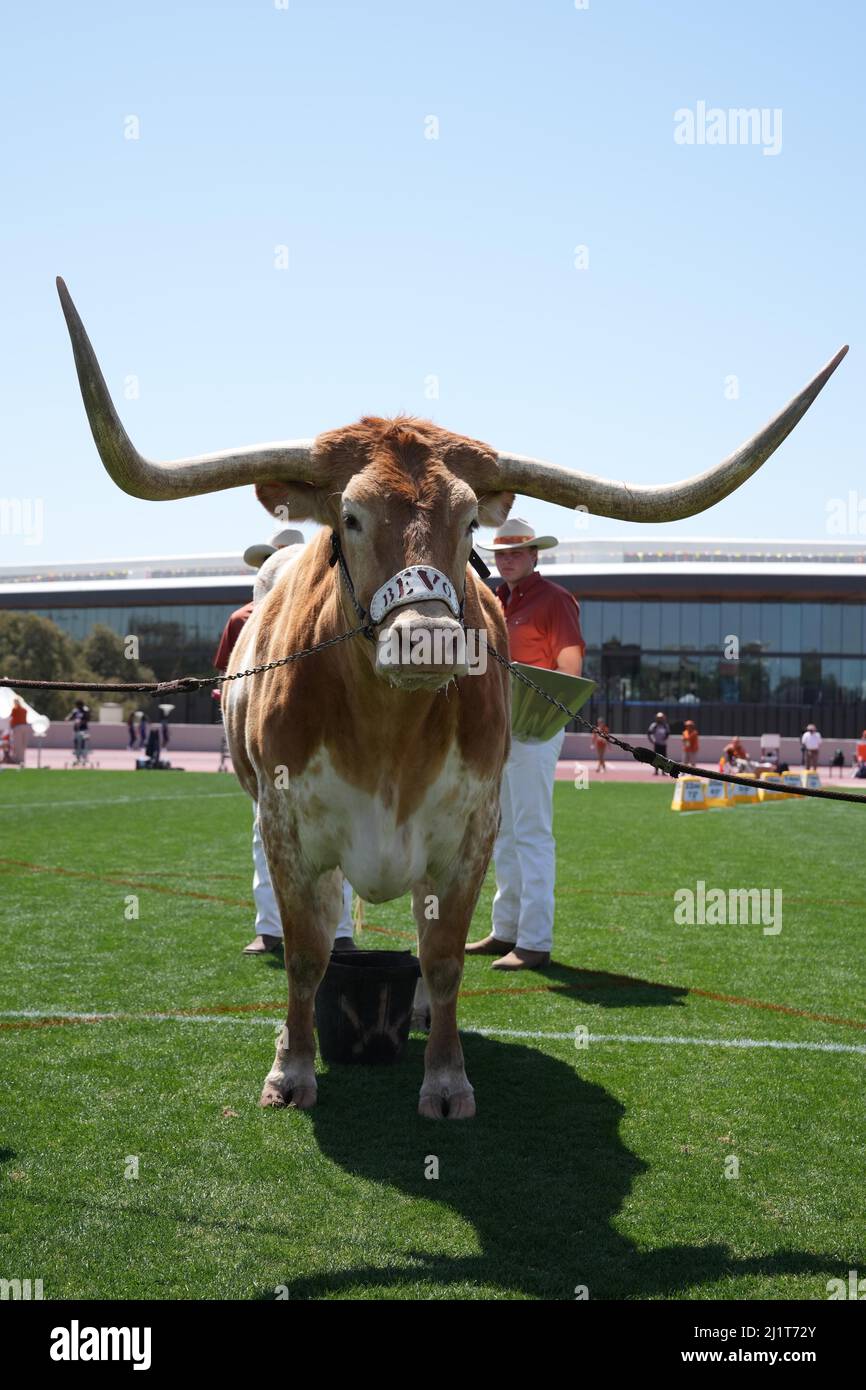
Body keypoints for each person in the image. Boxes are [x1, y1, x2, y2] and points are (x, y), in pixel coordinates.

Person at [213, 528, 356, 956]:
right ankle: (270, 928)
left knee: (337, 829)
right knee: (265, 829)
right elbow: (225, 683)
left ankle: (340, 930)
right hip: (267, 738)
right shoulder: (242, 619)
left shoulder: (328, 616)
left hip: (321, 740)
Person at [465, 519, 585, 972]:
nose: (507, 558)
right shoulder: (493, 600)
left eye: (517, 551)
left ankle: (534, 940)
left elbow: (569, 671)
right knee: (507, 833)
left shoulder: (554, 600)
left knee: (531, 832)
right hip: (501, 729)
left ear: (535, 555)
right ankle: (507, 930)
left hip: (535, 726)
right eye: (501, 552)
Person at [9, 697, 29, 767]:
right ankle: (22, 760)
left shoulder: (15, 709)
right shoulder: (24, 710)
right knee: (23, 744)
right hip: (25, 727)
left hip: (17, 727)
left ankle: (18, 760)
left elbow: (11, 718)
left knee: (18, 744)